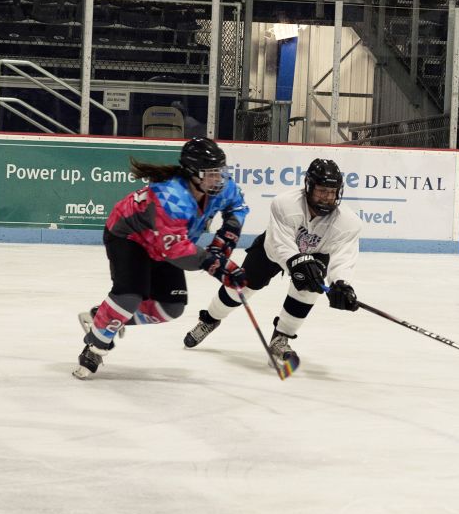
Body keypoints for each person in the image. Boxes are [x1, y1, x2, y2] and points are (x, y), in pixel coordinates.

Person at [73, 137, 249, 379]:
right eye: (211, 173)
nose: (218, 178)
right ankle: (96, 344)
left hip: (162, 241)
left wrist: (226, 238)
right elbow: (175, 251)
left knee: (171, 307)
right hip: (129, 236)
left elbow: (237, 207)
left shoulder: (219, 187)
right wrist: (216, 265)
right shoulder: (171, 196)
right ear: (193, 173)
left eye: (219, 171)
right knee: (130, 296)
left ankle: (102, 316)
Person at [183, 158, 361, 369]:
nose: (328, 198)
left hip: (315, 255)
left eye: (333, 192)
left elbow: (343, 257)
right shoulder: (285, 203)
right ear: (309, 187)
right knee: (241, 286)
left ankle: (280, 338)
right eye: (322, 190)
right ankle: (210, 319)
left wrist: (342, 284)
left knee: (308, 290)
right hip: (272, 250)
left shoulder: (348, 222)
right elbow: (280, 245)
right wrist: (298, 262)